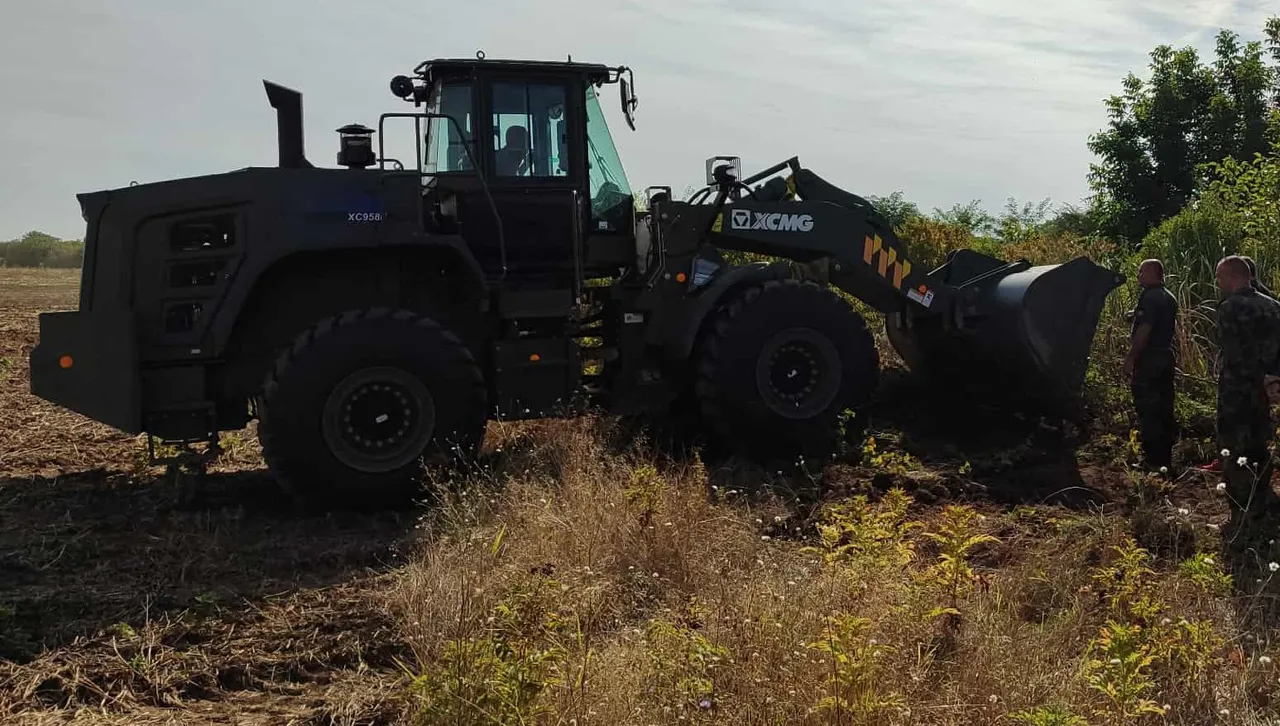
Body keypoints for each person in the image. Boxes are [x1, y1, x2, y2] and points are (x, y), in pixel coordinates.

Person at [1210, 255, 1280, 524]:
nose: (1218, 282)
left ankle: (1240, 508)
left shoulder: (1231, 307)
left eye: (1220, 276)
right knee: (1259, 440)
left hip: (1237, 387)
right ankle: (1261, 499)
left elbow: (1233, 352)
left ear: (1232, 276)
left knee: (1232, 443)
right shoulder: (1273, 305)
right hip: (1265, 386)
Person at [1122, 259, 1179, 472]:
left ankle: (1152, 461)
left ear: (1154, 273)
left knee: (1148, 409)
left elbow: (1145, 330)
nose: (1138, 276)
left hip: (1150, 359)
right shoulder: (1168, 296)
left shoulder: (1150, 296)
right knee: (1164, 408)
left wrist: (1130, 358)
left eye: (1141, 272)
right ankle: (1164, 458)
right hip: (1165, 356)